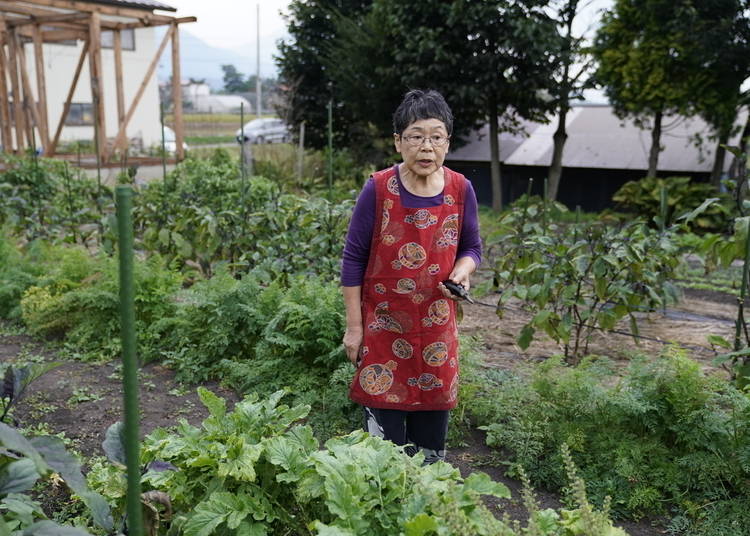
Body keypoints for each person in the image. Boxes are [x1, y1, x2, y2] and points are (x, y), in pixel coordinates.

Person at [341, 89, 481, 464]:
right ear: (398, 142)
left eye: (437, 137)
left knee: (431, 450)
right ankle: (385, 507)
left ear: (447, 143)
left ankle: (426, 509)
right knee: (383, 454)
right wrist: (355, 328)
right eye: (416, 136)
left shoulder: (460, 189)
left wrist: (463, 272)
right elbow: (353, 259)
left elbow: (472, 248)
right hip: (383, 330)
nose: (426, 147)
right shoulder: (379, 188)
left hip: (436, 335)